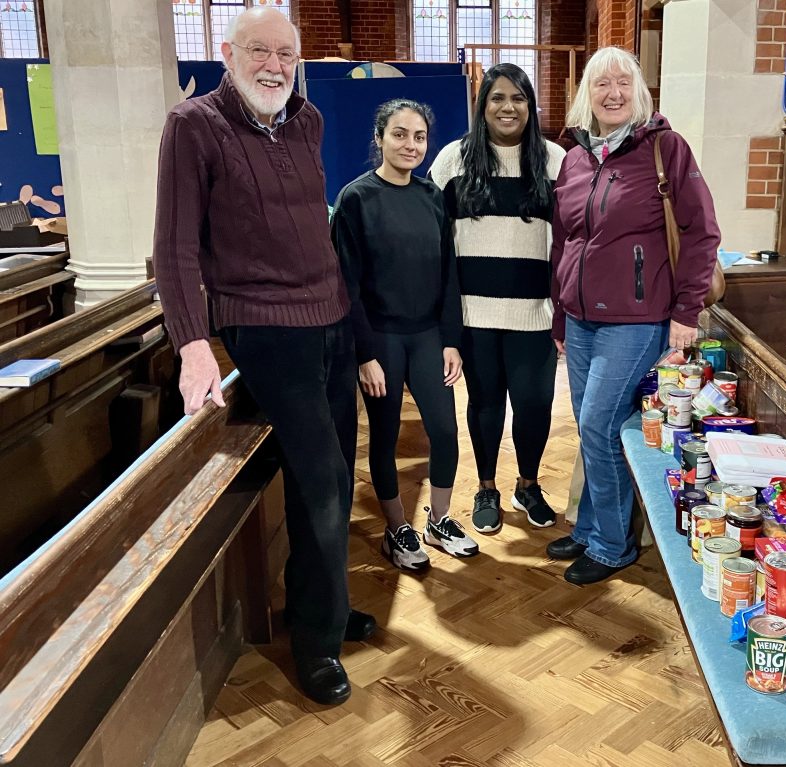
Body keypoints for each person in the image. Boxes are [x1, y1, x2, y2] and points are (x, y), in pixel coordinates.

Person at [152, 7, 374, 706]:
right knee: (324, 483)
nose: (274, 64)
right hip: (267, 330)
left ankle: (328, 605)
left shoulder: (306, 120)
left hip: (331, 321)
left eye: (285, 51)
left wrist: (355, 331)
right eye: (259, 51)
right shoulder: (193, 126)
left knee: (339, 473)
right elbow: (176, 245)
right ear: (228, 52)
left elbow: (316, 232)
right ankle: (315, 641)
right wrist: (192, 342)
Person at [548, 47, 721, 585]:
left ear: (639, 92)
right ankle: (594, 523)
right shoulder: (575, 155)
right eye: (602, 85)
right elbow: (564, 238)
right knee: (588, 425)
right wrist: (559, 314)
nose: (613, 93)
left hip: (636, 319)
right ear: (587, 94)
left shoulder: (664, 149)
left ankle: (612, 545)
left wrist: (686, 312)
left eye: (624, 83)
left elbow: (702, 232)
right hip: (579, 320)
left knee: (600, 424)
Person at [331, 99, 479, 572]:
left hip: (428, 335)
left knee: (445, 430)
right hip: (382, 339)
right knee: (386, 434)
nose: (410, 144)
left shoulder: (433, 197)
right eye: (399, 134)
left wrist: (451, 339)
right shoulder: (356, 198)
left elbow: (448, 273)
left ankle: (438, 520)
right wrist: (364, 354)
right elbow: (346, 285)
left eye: (418, 136)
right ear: (379, 138)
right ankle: (397, 528)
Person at [429, 64, 566, 535]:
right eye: (497, 98)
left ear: (531, 106)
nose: (508, 107)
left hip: (535, 314)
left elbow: (572, 242)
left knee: (534, 404)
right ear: (482, 106)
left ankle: (527, 484)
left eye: (519, 98)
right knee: (485, 404)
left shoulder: (556, 162)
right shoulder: (453, 160)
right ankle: (486, 486)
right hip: (474, 314)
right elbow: (435, 240)